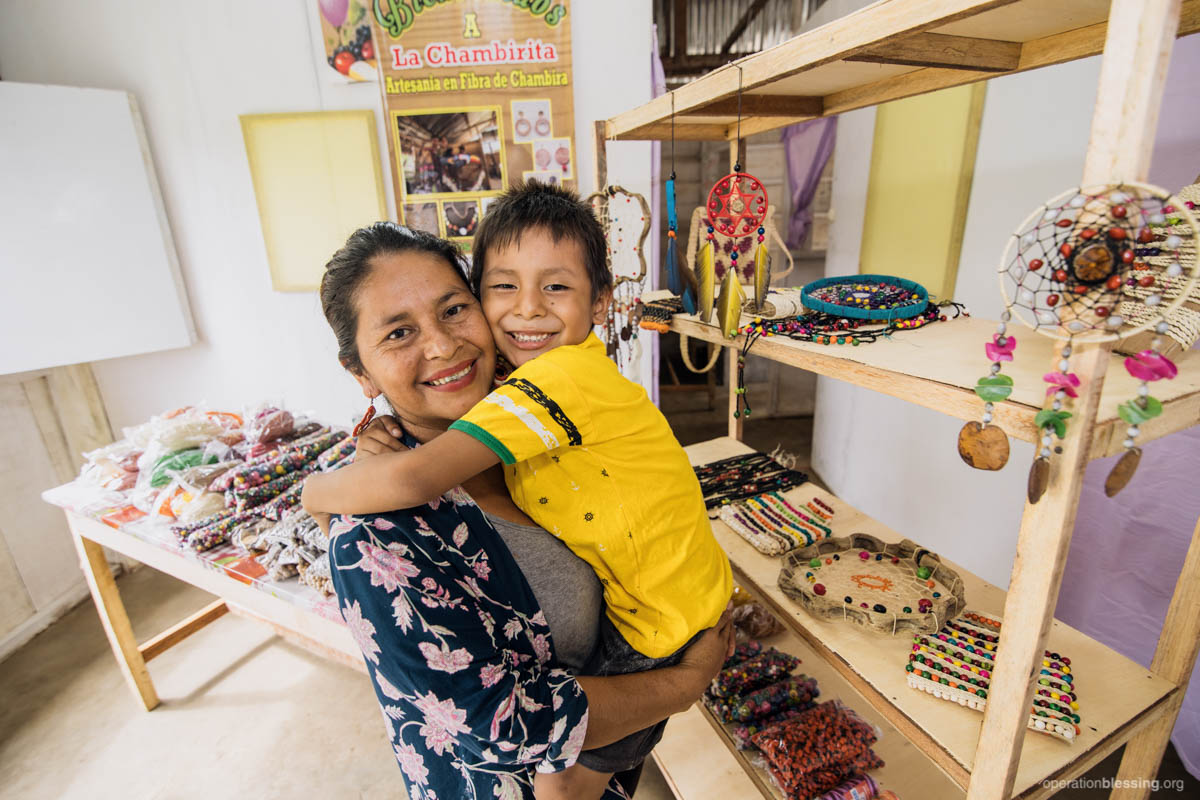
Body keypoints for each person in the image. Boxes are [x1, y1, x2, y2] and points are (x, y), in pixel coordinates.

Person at [304, 183, 734, 800]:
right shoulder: (373, 533)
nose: (443, 345)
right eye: (398, 333)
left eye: (454, 309)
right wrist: (685, 686)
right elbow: (502, 724)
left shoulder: (530, 413)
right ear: (360, 372)